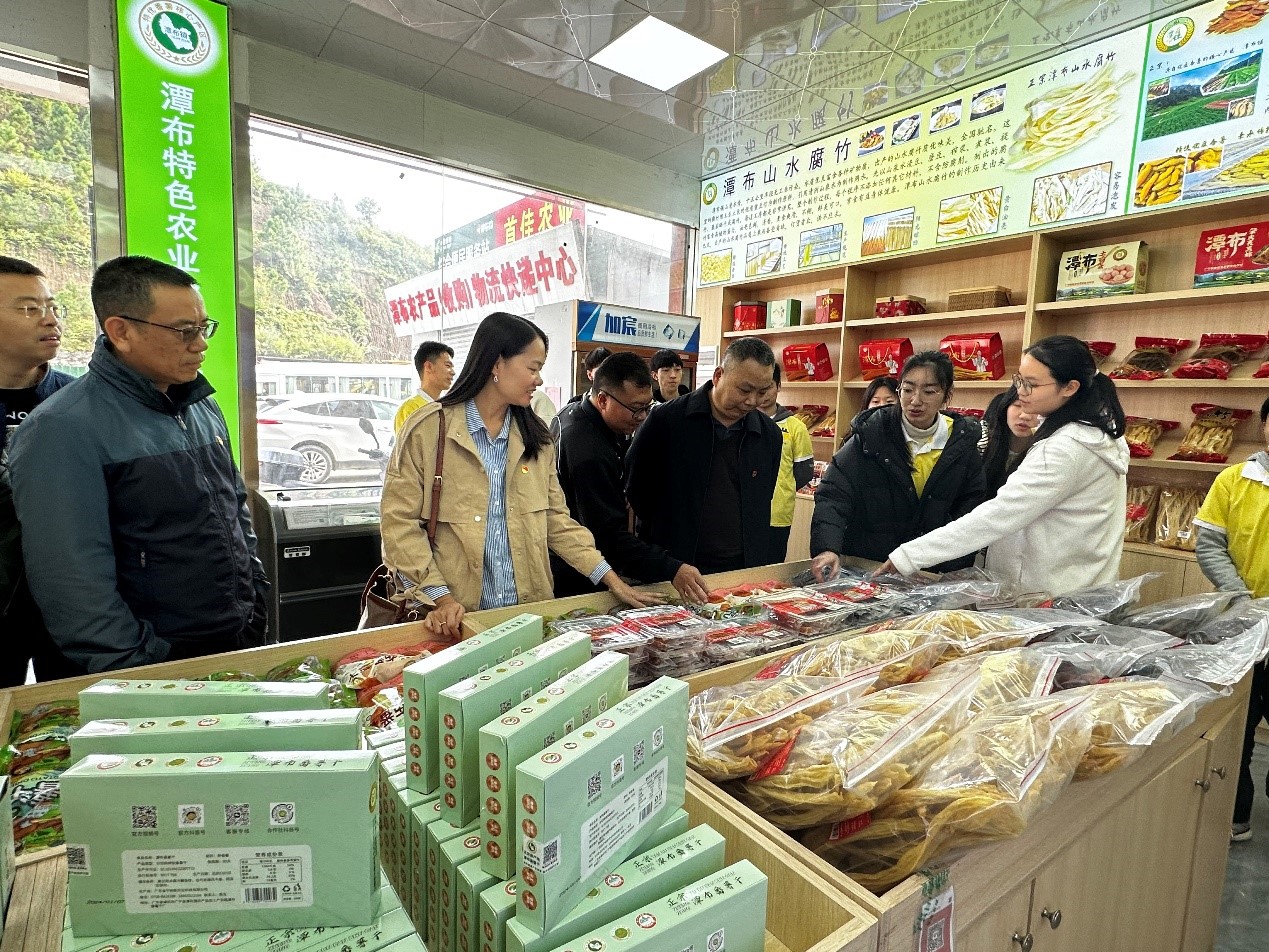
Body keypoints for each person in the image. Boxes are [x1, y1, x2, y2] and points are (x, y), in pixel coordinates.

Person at [8, 255, 270, 676]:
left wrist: (255, 602)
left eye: (204, 328)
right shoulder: (61, 428)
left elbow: (235, 514)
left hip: (231, 643)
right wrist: (138, 667)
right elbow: (71, 580)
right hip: (148, 667)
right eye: (184, 331)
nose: (200, 344)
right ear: (121, 332)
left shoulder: (201, 405)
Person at [380, 312, 659, 641]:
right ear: (497, 363)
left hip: (528, 618)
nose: (538, 380)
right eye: (533, 368)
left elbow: (557, 521)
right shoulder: (428, 431)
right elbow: (398, 524)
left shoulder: (536, 437)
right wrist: (440, 597)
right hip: (457, 623)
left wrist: (610, 579)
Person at [870, 336, 1128, 595]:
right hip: (1070, 584)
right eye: (1020, 380)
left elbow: (997, 516)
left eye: (1032, 384)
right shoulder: (1095, 433)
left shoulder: (1066, 449)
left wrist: (909, 556)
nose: (1021, 391)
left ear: (1069, 388)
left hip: (1052, 594)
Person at [811, 351, 986, 578]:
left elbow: (970, 513)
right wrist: (827, 547)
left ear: (946, 394)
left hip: (928, 571)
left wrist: (951, 570)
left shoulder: (961, 444)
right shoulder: (871, 435)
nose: (915, 400)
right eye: (908, 389)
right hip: (869, 567)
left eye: (929, 391)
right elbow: (834, 494)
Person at [552, 352, 709, 601]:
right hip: (575, 572)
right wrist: (672, 569)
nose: (643, 417)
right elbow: (607, 536)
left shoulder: (576, 412)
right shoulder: (588, 451)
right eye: (635, 409)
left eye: (647, 407)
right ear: (603, 400)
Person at [625, 337, 782, 575]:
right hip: (676, 565)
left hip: (742, 566)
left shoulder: (768, 434)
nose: (752, 401)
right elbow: (637, 489)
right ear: (718, 376)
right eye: (744, 390)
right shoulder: (666, 421)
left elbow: (762, 497)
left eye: (762, 392)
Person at [1193, 395, 1269, 842]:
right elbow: (1210, 546)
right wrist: (1240, 598)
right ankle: (1235, 814)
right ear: (1264, 426)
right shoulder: (1233, 479)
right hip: (1242, 624)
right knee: (1239, 722)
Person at [0, 256, 73, 686]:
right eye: (30, 309)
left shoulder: (77, 400)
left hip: (69, 605)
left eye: (52, 307)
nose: (50, 319)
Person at [758, 364, 814, 563]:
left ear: (779, 386)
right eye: (759, 388)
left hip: (778, 514)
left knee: (772, 566)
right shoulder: (744, 421)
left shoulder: (796, 427)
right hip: (745, 513)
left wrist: (784, 487)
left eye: (769, 387)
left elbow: (804, 473)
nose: (763, 394)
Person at [980, 386, 1039, 498]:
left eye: (1036, 410)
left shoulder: (1046, 451)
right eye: (1018, 405)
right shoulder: (980, 440)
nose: (1025, 416)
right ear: (1005, 407)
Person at [394, 340, 455, 433]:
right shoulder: (409, 409)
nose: (453, 372)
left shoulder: (448, 408)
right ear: (429, 366)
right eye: (448, 366)